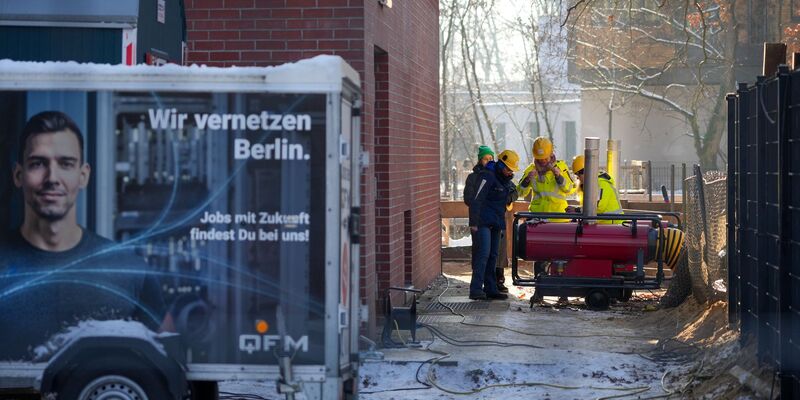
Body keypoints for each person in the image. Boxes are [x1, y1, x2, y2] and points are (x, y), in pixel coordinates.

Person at [0, 111, 170, 360]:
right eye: (38, 163)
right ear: (18, 175)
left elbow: (169, 373)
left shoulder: (130, 271)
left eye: (66, 164)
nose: (52, 178)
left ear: (83, 175)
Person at [517, 137, 576, 284]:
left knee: (560, 258)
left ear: (551, 154)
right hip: (538, 220)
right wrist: (526, 181)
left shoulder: (561, 167)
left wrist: (558, 175)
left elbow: (569, 189)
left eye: (544, 158)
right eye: (539, 158)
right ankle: (540, 289)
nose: (542, 161)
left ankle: (562, 292)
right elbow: (519, 192)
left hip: (559, 220)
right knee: (540, 257)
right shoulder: (531, 170)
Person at [468, 149, 520, 301]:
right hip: (482, 223)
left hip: (496, 222)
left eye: (512, 170)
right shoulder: (487, 176)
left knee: (493, 256)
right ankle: (476, 289)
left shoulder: (505, 181)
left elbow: (511, 196)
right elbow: (476, 199)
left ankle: (491, 289)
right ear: (501, 164)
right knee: (482, 255)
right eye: (508, 169)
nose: (510, 172)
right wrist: (474, 223)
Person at [570, 155, 624, 224]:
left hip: (614, 225)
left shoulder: (602, 184)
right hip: (606, 225)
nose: (578, 178)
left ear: (586, 171)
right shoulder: (591, 185)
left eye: (578, 175)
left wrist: (577, 210)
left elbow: (599, 207)